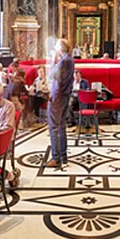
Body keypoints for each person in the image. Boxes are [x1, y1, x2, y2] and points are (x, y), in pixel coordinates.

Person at [46, 38, 75, 168]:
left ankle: (56, 157)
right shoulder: (69, 59)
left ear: (61, 48)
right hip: (64, 96)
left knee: (54, 127)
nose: (55, 48)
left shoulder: (64, 61)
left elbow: (53, 76)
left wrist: (53, 60)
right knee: (61, 126)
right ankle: (63, 156)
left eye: (57, 46)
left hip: (58, 97)